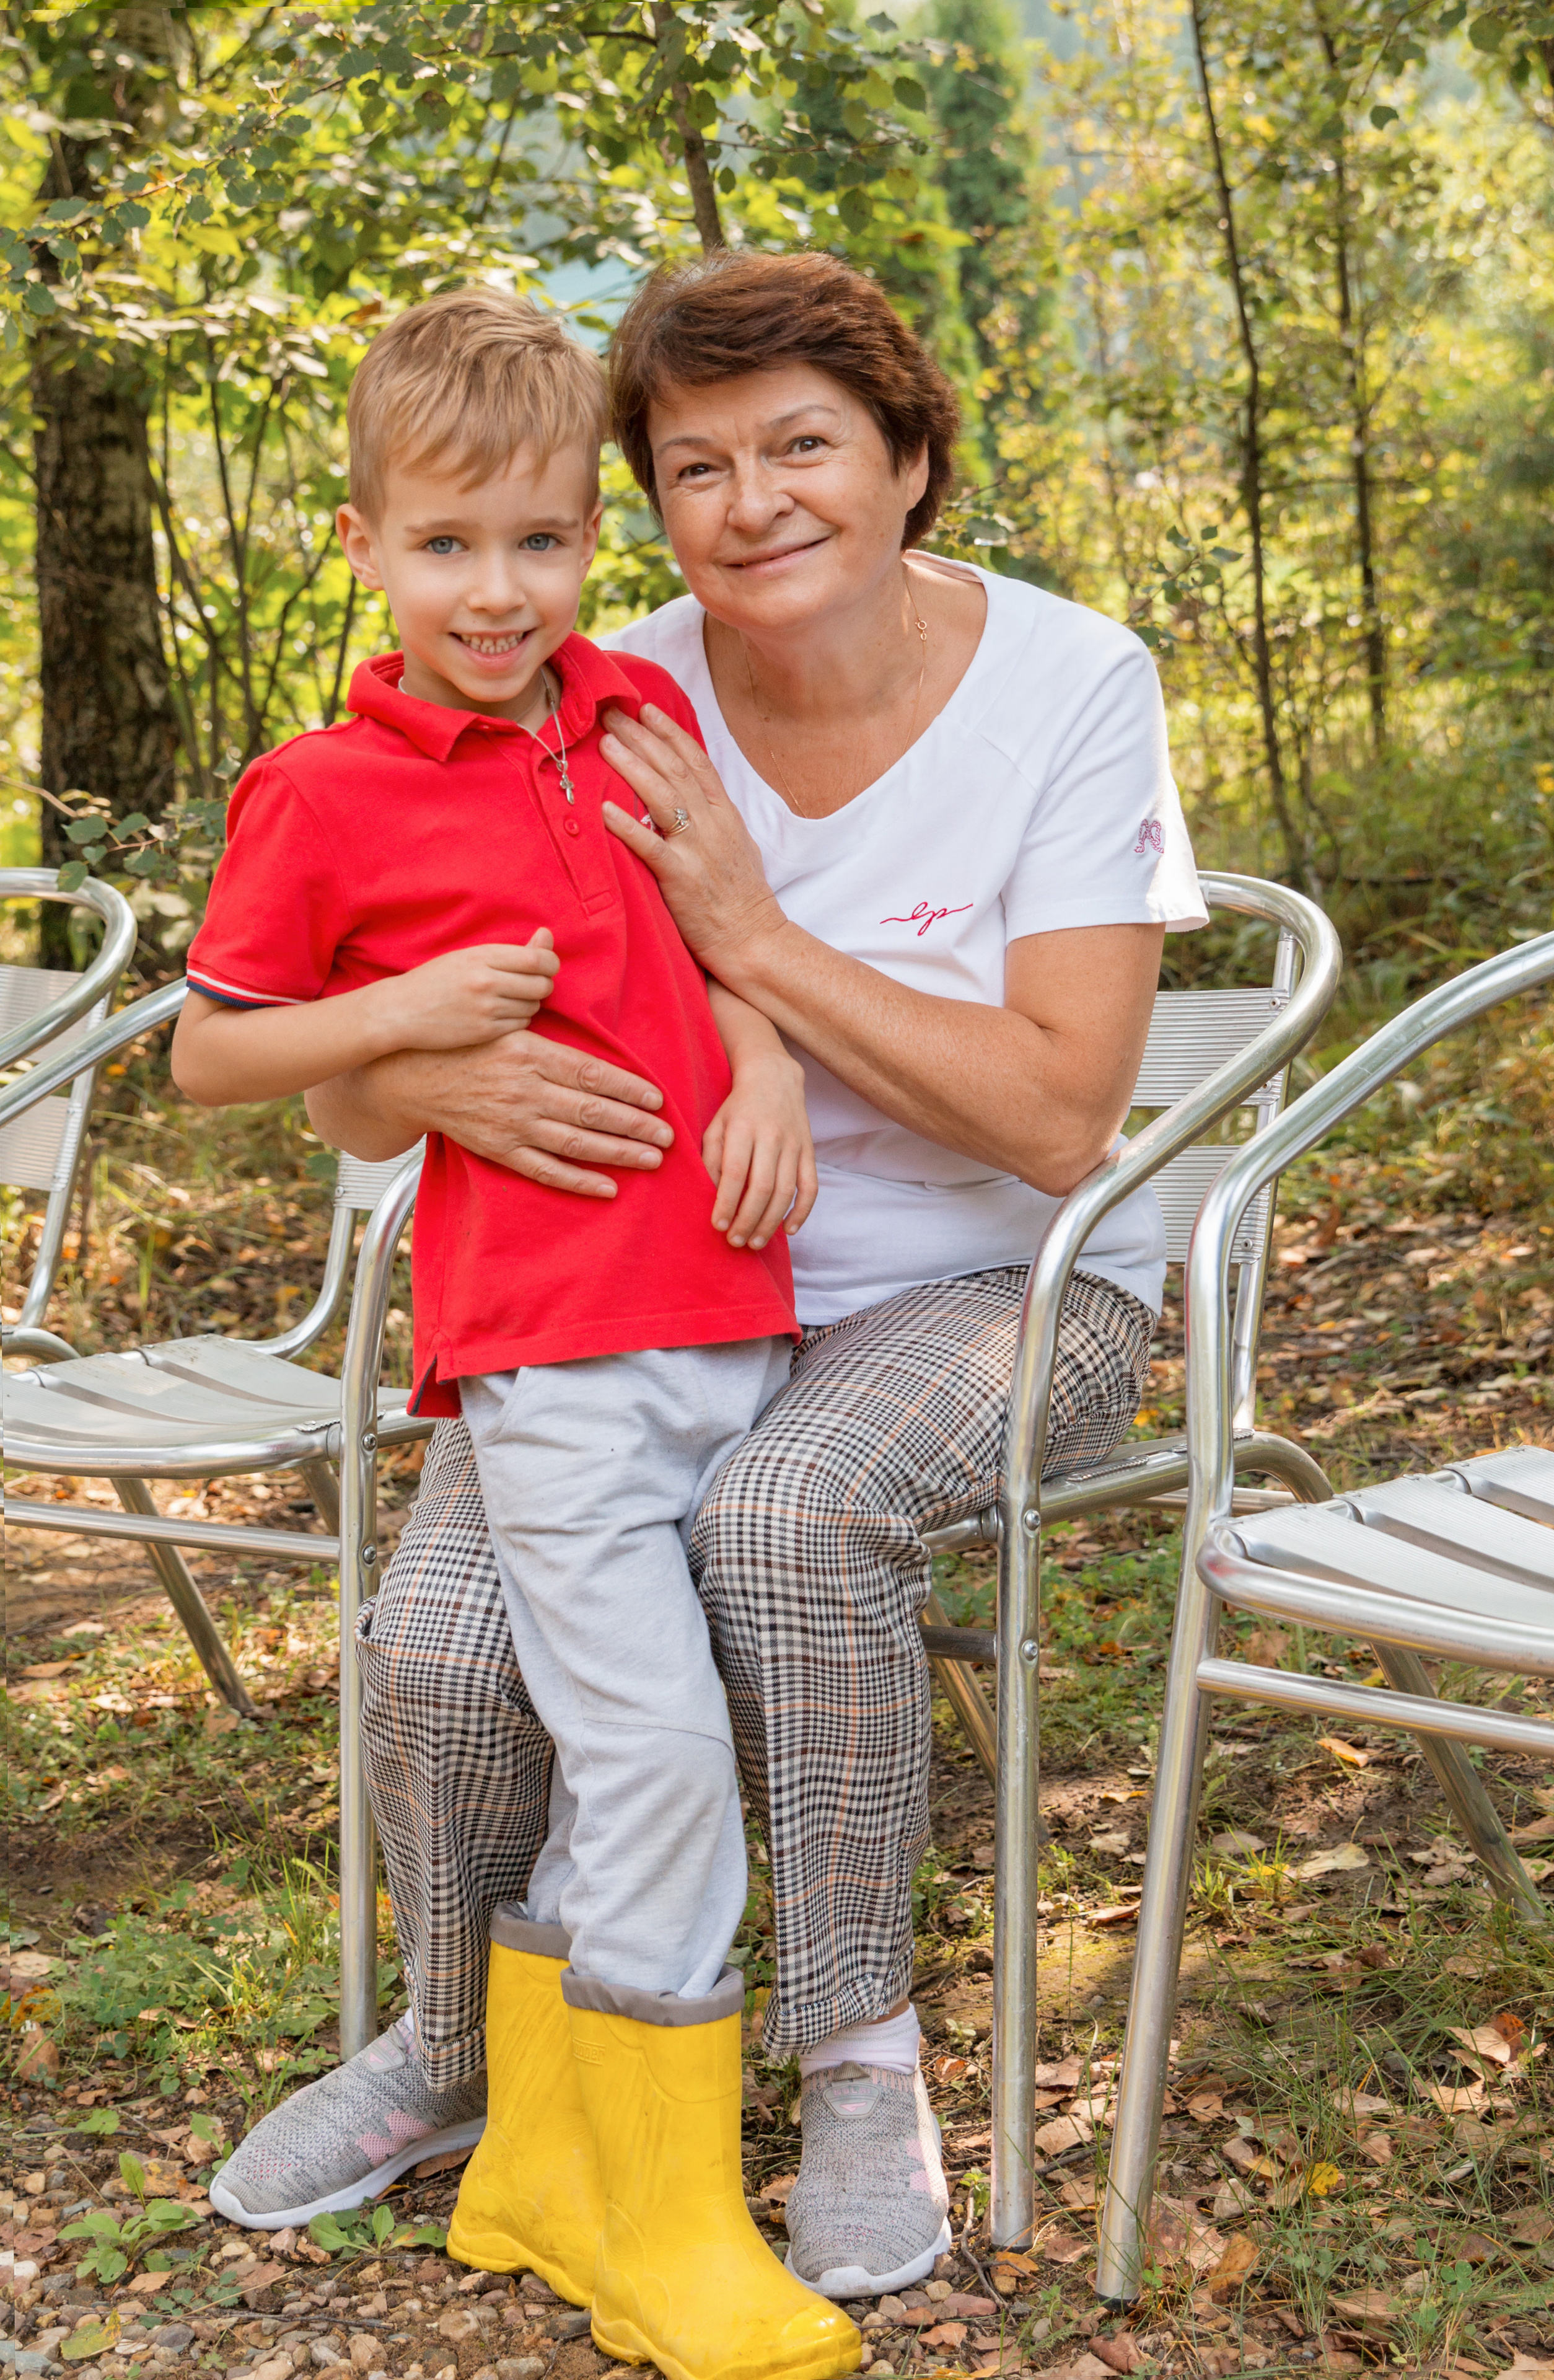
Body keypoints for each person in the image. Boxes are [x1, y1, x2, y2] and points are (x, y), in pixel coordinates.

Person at [230, 251, 1208, 2302]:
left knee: (784, 1521)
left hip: (994, 1283)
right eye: (697, 465)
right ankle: (460, 2037)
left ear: (910, 457)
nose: (753, 501)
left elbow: (1053, 1121)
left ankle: (854, 2048)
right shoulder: (584, 670)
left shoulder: (1067, 683)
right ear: (639, 505)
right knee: (436, 1646)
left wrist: (753, 945)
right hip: (655, 1293)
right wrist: (437, 1066)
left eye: (804, 447)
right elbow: (349, 1083)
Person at [177, 286, 863, 2380]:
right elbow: (217, 1057)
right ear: (369, 542)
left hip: (733, 1318)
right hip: (555, 1352)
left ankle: (541, 2168)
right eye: (451, 545)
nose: (502, 590)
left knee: (629, 1761)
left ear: (595, 539)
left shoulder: (632, 722)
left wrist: (756, 1062)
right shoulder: (317, 793)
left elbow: (708, 938)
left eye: (546, 540)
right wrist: (401, 1016)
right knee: (658, 1750)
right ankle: (658, 2214)